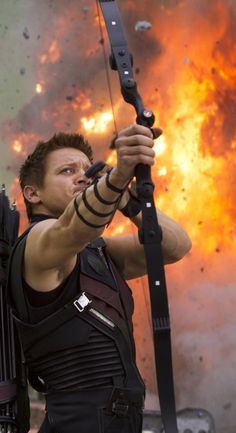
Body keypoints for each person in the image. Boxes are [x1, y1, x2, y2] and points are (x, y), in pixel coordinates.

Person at [8, 125, 191, 433]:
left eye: (86, 170)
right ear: (32, 192)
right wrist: (117, 178)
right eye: (67, 171)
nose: (82, 177)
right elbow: (73, 228)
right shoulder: (37, 243)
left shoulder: (99, 252)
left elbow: (174, 246)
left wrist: (127, 201)